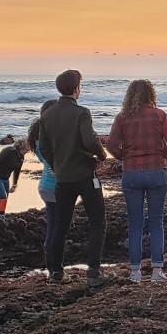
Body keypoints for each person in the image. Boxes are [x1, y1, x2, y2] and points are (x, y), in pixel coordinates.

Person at [39, 69, 109, 286]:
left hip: (62, 178)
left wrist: (56, 165)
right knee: (97, 221)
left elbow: (45, 147)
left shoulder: (47, 115)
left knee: (60, 224)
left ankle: (56, 272)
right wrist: (101, 154)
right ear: (76, 88)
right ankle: (94, 272)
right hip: (85, 175)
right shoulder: (81, 113)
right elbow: (89, 140)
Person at [106, 79, 167, 283]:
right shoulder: (159, 115)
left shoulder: (122, 118)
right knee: (156, 221)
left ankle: (135, 272)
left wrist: (124, 156)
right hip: (157, 171)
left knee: (135, 222)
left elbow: (110, 144)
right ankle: (157, 271)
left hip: (132, 173)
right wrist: (164, 155)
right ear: (151, 95)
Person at [25, 100, 59, 262]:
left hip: (45, 185)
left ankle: (51, 265)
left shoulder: (37, 138)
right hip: (56, 187)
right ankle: (54, 267)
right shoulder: (52, 138)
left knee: (52, 226)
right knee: (57, 228)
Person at [0, 139, 29, 214]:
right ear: (22, 146)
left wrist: (14, 184)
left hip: (5, 179)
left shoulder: (21, 157)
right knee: (2, 198)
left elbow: (17, 171)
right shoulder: (8, 151)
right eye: (29, 146)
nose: (29, 149)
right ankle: (0, 217)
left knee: (3, 200)